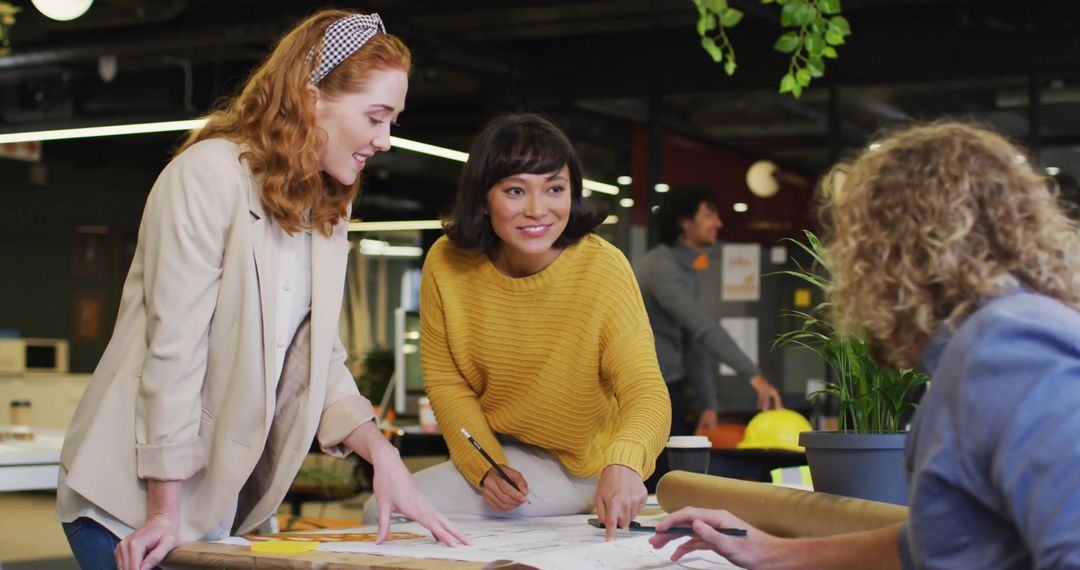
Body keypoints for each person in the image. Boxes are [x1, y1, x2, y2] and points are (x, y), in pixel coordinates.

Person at [56, 10, 468, 570]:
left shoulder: (325, 206)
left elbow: (318, 354)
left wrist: (382, 455)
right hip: (129, 504)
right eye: (376, 117)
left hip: (212, 507)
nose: (385, 140)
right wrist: (162, 511)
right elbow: (173, 350)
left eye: (392, 120)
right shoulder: (207, 176)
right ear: (310, 96)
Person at [650, 122, 1080, 568]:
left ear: (893, 249)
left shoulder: (1010, 349)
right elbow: (936, 541)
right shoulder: (975, 348)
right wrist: (770, 552)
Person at [364, 113, 671, 540]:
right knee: (383, 508)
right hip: (505, 457)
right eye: (514, 190)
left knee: (397, 516)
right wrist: (485, 466)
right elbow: (449, 385)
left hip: (581, 467)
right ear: (483, 197)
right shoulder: (446, 263)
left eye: (555, 189)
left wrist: (624, 463)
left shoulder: (602, 267)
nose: (537, 209)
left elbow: (645, 388)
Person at [636, 187, 782, 437]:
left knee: (673, 471)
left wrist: (709, 404)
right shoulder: (661, 267)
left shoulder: (686, 270)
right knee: (656, 474)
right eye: (709, 215)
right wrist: (754, 375)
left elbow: (693, 342)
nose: (719, 223)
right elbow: (704, 327)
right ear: (684, 222)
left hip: (667, 386)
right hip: (642, 390)